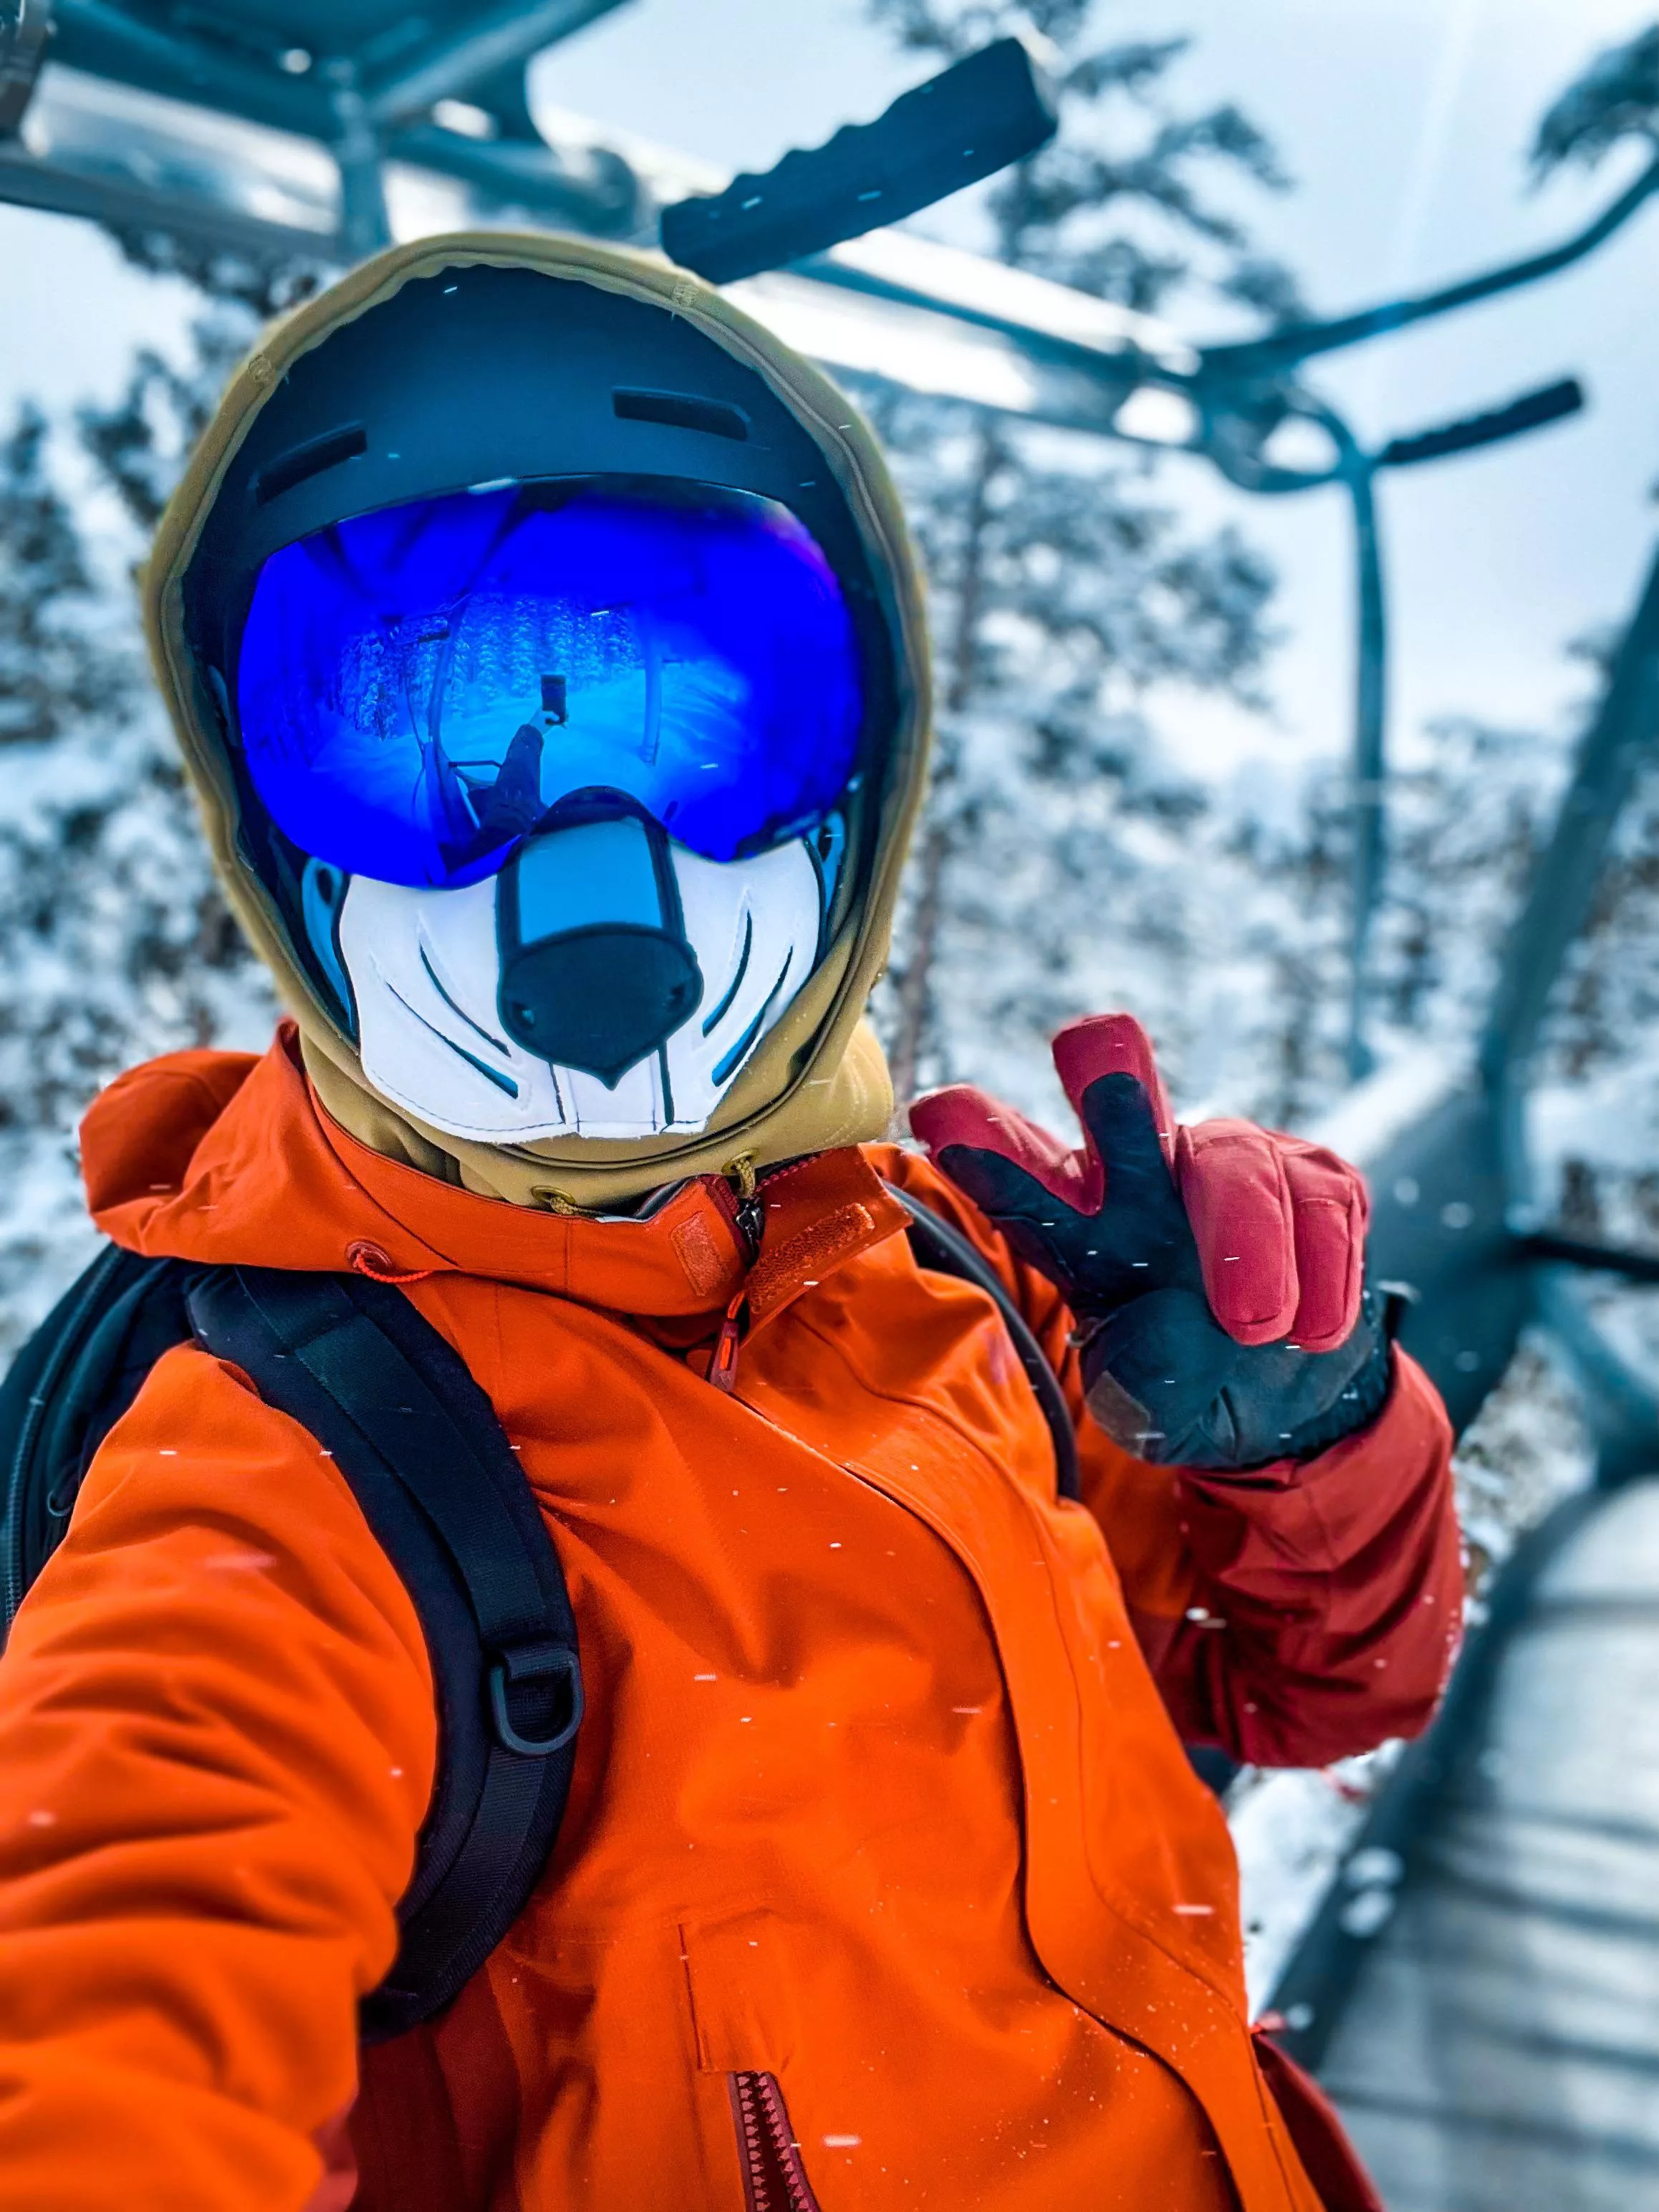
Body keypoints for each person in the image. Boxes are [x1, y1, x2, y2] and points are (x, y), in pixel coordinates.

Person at [0, 232, 1459, 2212]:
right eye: (428, 765)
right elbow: (108, 2012)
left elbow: (1309, 1691)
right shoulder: (287, 1491)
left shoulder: (951, 1275)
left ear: (851, 799)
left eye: (707, 737)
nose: (584, 889)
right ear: (281, 860)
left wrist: (1300, 1440)